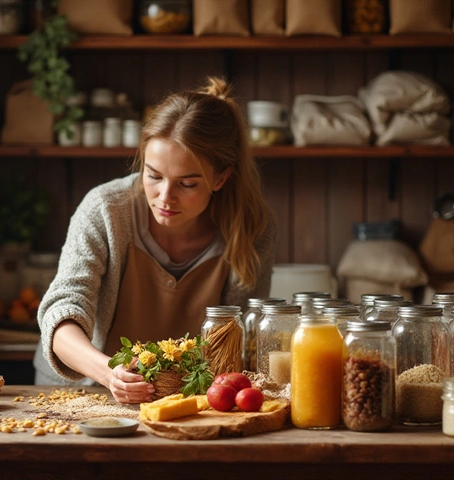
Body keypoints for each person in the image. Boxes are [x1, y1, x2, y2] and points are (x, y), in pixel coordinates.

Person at [33, 76, 277, 404]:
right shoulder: (106, 209)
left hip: (187, 396)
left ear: (221, 178)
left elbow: (240, 341)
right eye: (154, 175)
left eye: (187, 184)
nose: (165, 197)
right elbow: (63, 308)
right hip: (82, 391)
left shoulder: (252, 228)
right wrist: (109, 373)